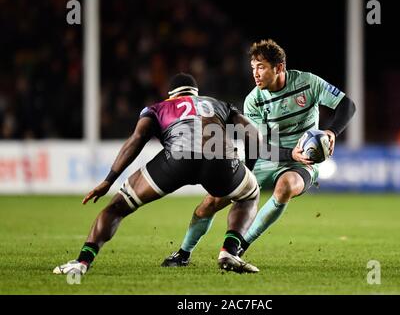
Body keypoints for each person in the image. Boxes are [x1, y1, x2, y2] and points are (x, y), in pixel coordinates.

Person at [53, 72, 298, 275]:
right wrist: (251, 171)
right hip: (219, 157)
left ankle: (82, 262)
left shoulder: (158, 108)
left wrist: (108, 181)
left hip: (177, 159)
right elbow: (254, 136)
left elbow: (136, 140)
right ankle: (229, 251)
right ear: (196, 92)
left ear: (171, 95)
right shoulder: (217, 104)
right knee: (249, 193)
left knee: (117, 207)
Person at [162, 39, 356, 267]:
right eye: (253, 68)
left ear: (279, 67)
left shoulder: (307, 82)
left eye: (261, 67)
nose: (255, 73)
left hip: (302, 162)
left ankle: (240, 246)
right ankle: (183, 253)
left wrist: (332, 132)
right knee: (212, 201)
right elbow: (258, 147)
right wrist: (280, 158)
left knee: (285, 187)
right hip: (267, 157)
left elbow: (347, 105)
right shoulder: (254, 100)